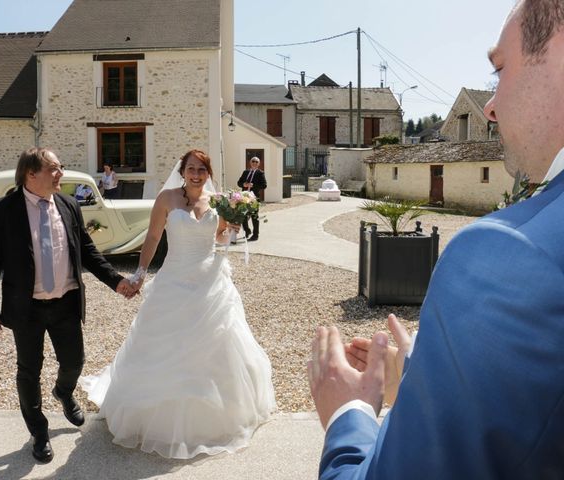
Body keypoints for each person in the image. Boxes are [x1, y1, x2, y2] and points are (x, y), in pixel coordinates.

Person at [308, 1, 564, 478]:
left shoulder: (505, 256)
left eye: (500, 69)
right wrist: (436, 379)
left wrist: (349, 412)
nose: (490, 104)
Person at [80, 149, 276, 459]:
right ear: (182, 171)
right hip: (174, 279)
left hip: (210, 282)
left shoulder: (219, 202)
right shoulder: (167, 199)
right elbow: (153, 238)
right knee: (166, 343)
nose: (196, 174)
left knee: (217, 343)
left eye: (202, 169)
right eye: (191, 169)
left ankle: (221, 413)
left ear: (208, 173)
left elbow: (220, 238)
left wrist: (232, 231)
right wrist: (140, 275)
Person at [0, 147, 137, 464]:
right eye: (54, 168)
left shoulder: (68, 204)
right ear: (31, 173)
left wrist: (116, 281)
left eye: (60, 167)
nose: (61, 173)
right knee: (28, 371)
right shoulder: (4, 209)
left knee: (74, 362)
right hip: (26, 308)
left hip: (65, 302)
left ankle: (63, 392)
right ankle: (38, 431)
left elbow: (88, 252)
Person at [236, 156, 266, 241]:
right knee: (243, 215)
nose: (255, 163)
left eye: (256, 162)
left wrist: (253, 185)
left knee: (254, 216)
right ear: (250, 162)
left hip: (254, 198)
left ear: (259, 164)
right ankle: (247, 231)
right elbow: (239, 182)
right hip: (244, 197)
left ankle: (255, 235)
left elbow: (264, 185)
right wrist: (244, 185)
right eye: (253, 161)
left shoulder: (260, 173)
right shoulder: (245, 172)